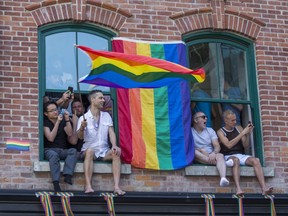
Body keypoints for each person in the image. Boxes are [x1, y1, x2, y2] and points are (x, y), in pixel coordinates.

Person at [77, 90, 125, 195]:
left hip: (103, 150)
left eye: (103, 98)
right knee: (89, 151)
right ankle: (88, 186)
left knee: (116, 152)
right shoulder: (83, 118)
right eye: (100, 98)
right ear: (92, 99)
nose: (103, 100)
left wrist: (114, 145)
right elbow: (80, 137)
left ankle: (117, 187)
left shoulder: (106, 115)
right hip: (89, 150)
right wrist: (81, 127)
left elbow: (111, 132)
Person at [217, 109, 273, 196]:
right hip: (227, 156)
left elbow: (246, 145)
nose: (235, 122)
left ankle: (264, 188)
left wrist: (248, 134)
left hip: (240, 154)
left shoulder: (238, 128)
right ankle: (238, 189)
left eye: (235, 119)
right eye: (232, 120)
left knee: (256, 160)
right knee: (235, 161)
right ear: (226, 121)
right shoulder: (220, 132)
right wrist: (243, 133)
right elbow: (228, 145)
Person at [43, 101, 78, 192]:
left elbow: (69, 133)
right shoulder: (45, 123)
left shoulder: (62, 120)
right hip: (49, 150)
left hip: (62, 150)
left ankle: (67, 175)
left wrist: (66, 120)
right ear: (46, 113)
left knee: (73, 151)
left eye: (56, 109)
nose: (55, 112)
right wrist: (57, 123)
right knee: (54, 156)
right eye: (52, 110)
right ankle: (56, 183)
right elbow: (50, 138)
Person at [192, 111, 230, 187]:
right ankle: (223, 164)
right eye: (203, 117)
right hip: (199, 156)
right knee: (194, 152)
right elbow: (188, 147)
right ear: (195, 120)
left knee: (220, 155)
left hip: (211, 155)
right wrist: (202, 151)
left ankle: (223, 178)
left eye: (206, 117)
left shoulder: (210, 130)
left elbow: (217, 146)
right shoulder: (190, 131)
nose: (206, 118)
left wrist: (213, 153)